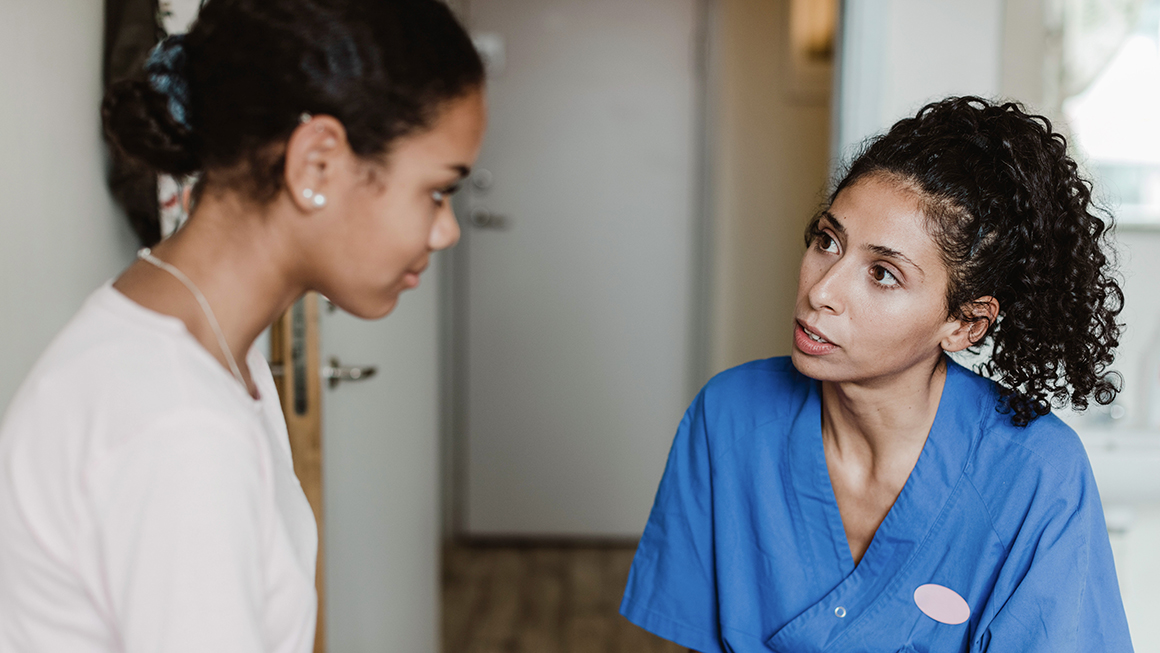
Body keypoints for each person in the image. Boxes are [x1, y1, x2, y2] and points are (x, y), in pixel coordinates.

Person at [0, 0, 484, 651]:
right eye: (435, 189)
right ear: (316, 164)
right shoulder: (177, 424)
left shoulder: (212, 349)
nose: (446, 228)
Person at [620, 97, 1133, 652]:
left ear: (965, 323)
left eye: (883, 274)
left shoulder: (1036, 475)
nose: (822, 291)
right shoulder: (727, 418)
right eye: (827, 241)